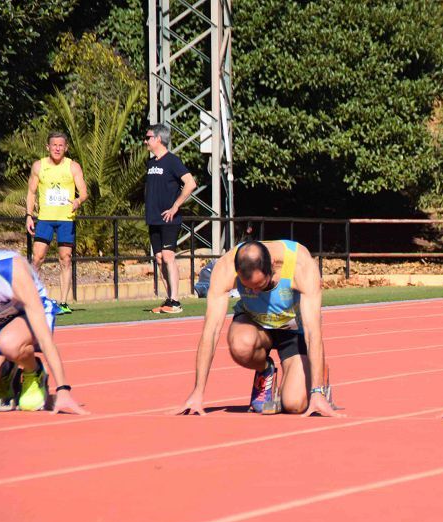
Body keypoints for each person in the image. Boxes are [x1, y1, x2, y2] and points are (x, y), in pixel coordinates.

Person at [176, 239, 342, 417]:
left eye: (261, 286)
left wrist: (316, 392)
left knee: (294, 404)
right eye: (249, 288)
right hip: (255, 325)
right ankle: (265, 370)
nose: (255, 292)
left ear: (272, 264)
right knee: (241, 345)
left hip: (292, 331)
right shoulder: (226, 267)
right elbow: (211, 331)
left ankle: (318, 377)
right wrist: (198, 391)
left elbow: (313, 332)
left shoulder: (300, 265)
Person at [0, 249, 87, 414]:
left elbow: (45, 340)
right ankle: (6, 372)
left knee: (7, 343)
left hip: (27, 313)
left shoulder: (13, 272)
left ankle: (33, 371)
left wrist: (62, 389)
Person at [25, 132, 88, 314]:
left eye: (61, 145)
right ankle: (30, 299)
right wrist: (29, 215)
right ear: (48, 147)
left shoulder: (73, 167)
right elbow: (31, 192)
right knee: (37, 258)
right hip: (45, 218)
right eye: (54, 145)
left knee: (65, 259)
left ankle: (63, 302)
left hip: (66, 220)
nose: (57, 148)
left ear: (66, 148)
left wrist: (78, 201)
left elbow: (83, 191)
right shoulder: (39, 166)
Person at [144, 123, 196, 314]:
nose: (146, 141)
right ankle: (168, 300)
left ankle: (175, 300)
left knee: (168, 257)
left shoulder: (172, 161)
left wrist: (175, 206)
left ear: (158, 139)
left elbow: (190, 183)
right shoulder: (151, 163)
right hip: (153, 218)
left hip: (169, 218)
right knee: (158, 259)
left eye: (148, 137)